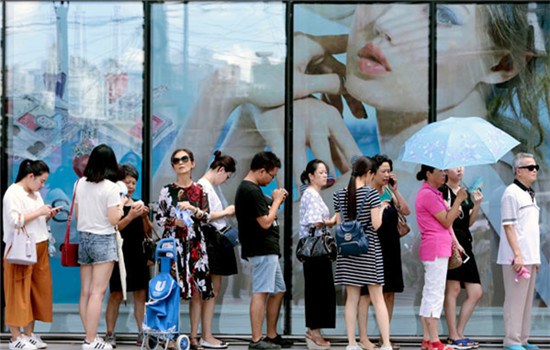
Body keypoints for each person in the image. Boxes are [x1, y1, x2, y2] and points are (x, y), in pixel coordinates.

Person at [155, 148, 213, 350]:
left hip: (196, 243)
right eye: (176, 160)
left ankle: (194, 335)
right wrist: (174, 221)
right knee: (172, 290)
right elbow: (159, 217)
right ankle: (170, 336)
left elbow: (207, 217)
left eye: (185, 159)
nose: (181, 163)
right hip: (173, 244)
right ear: (173, 166)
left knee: (197, 290)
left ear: (192, 163)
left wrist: (194, 210)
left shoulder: (200, 190)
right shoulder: (166, 190)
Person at [234, 151, 292, 350]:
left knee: (278, 290)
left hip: (267, 249)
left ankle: (271, 335)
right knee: (261, 292)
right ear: (261, 171)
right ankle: (257, 340)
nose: (272, 179)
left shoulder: (253, 190)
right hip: (261, 248)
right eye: (271, 175)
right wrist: (275, 201)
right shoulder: (250, 190)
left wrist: (275, 202)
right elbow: (266, 222)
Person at [333, 156, 391, 350]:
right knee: (378, 298)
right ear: (368, 174)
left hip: (348, 252)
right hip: (369, 251)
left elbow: (340, 225)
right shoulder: (372, 194)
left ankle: (351, 343)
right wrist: (382, 208)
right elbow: (376, 224)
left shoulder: (339, 194)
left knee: (351, 299)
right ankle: (387, 344)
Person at [3, 159, 61, 350]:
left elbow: (34, 218)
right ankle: (15, 337)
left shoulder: (34, 193)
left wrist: (47, 214)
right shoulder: (12, 193)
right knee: (18, 292)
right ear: (30, 176)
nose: (42, 185)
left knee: (36, 291)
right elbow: (15, 221)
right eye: (41, 181)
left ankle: (28, 334)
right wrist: (38, 212)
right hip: (21, 249)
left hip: (39, 245)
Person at [358, 154, 410, 350]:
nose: (387, 174)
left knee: (389, 293)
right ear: (373, 173)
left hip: (391, 247)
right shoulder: (367, 192)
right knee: (367, 294)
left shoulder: (389, 190)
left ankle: (384, 336)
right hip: (372, 247)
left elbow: (406, 210)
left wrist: (395, 191)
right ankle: (364, 338)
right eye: (384, 171)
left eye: (389, 171)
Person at [76, 144, 125, 350]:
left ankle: (90, 336)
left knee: (86, 292)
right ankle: (90, 340)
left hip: (84, 238)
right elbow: (114, 219)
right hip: (103, 239)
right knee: (98, 292)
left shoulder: (79, 183)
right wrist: (121, 204)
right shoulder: (112, 188)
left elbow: (78, 214)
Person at [415, 165, 467, 350]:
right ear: (429, 174)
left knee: (430, 292)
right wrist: (458, 200)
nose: (444, 174)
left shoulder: (431, 193)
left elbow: (446, 220)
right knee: (435, 294)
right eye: (440, 171)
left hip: (437, 247)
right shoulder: (428, 194)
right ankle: (434, 340)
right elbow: (446, 220)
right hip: (435, 248)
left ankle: (428, 339)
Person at [497, 153, 541, 350]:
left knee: (525, 302)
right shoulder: (511, 193)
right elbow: (508, 226)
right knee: (515, 300)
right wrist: (518, 254)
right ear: (518, 171)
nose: (534, 171)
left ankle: (523, 339)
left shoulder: (529, 193)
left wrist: (535, 258)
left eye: (535, 167)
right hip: (516, 257)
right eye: (530, 167)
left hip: (530, 256)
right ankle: (512, 340)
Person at [105, 164, 151, 348]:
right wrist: (131, 215)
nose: (131, 186)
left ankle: (142, 332)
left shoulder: (137, 203)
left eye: (133, 182)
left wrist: (144, 216)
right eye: (127, 182)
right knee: (116, 293)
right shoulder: (114, 204)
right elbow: (114, 228)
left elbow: (148, 232)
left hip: (138, 254)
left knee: (141, 293)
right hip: (118, 254)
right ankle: (109, 333)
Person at [196, 150, 239, 349]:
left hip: (215, 240)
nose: (225, 181)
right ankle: (206, 334)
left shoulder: (210, 186)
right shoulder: (203, 186)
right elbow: (203, 216)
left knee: (213, 289)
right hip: (211, 241)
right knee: (211, 289)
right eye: (227, 177)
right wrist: (227, 211)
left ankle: (206, 333)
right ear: (220, 169)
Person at [439, 167, 483, 349]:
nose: (460, 169)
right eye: (455, 166)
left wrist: (477, 203)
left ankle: (459, 332)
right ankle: (453, 335)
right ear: (445, 171)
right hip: (451, 242)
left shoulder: (464, 190)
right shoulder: (442, 191)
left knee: (476, 292)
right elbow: (445, 219)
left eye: (462, 166)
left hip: (466, 243)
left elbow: (470, 222)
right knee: (453, 289)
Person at [299, 159, 337, 350]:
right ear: (311, 176)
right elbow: (314, 222)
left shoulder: (312, 194)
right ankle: (314, 332)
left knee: (320, 290)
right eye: (321, 172)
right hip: (316, 250)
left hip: (315, 250)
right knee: (318, 290)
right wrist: (331, 221)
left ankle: (315, 330)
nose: (324, 175)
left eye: (325, 172)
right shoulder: (311, 194)